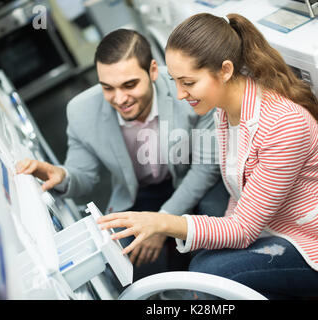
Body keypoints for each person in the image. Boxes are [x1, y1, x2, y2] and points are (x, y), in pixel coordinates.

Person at [97, 13, 318, 299]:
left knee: (207, 277)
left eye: (188, 82)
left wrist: (162, 223)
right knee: (203, 265)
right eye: (175, 82)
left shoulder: (283, 125)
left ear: (225, 70)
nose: (180, 94)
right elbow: (240, 196)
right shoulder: (225, 110)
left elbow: (242, 230)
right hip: (277, 228)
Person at [16, 29, 229, 280]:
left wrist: (162, 224)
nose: (119, 99)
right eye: (107, 87)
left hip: (191, 179)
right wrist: (60, 175)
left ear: (152, 71)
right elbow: (84, 177)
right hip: (138, 192)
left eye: (130, 85)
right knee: (118, 264)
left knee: (207, 257)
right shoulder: (81, 111)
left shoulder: (187, 93)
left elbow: (204, 169)